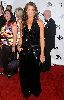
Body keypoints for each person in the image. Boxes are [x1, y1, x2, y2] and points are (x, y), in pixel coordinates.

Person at [17, 1, 44, 99]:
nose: (30, 12)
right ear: (26, 11)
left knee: (35, 72)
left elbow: (41, 39)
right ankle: (26, 90)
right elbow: (21, 37)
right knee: (24, 72)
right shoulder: (22, 22)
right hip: (24, 51)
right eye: (28, 9)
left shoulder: (39, 23)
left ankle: (35, 89)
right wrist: (18, 46)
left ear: (35, 11)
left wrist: (42, 54)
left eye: (32, 10)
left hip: (35, 51)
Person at [1, 9, 17, 77]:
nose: (6, 14)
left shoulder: (13, 23)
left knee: (11, 60)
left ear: (10, 15)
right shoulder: (4, 23)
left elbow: (15, 35)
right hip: (4, 44)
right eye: (5, 13)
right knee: (5, 59)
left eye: (8, 13)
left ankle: (12, 72)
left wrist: (13, 46)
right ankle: (5, 71)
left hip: (10, 45)